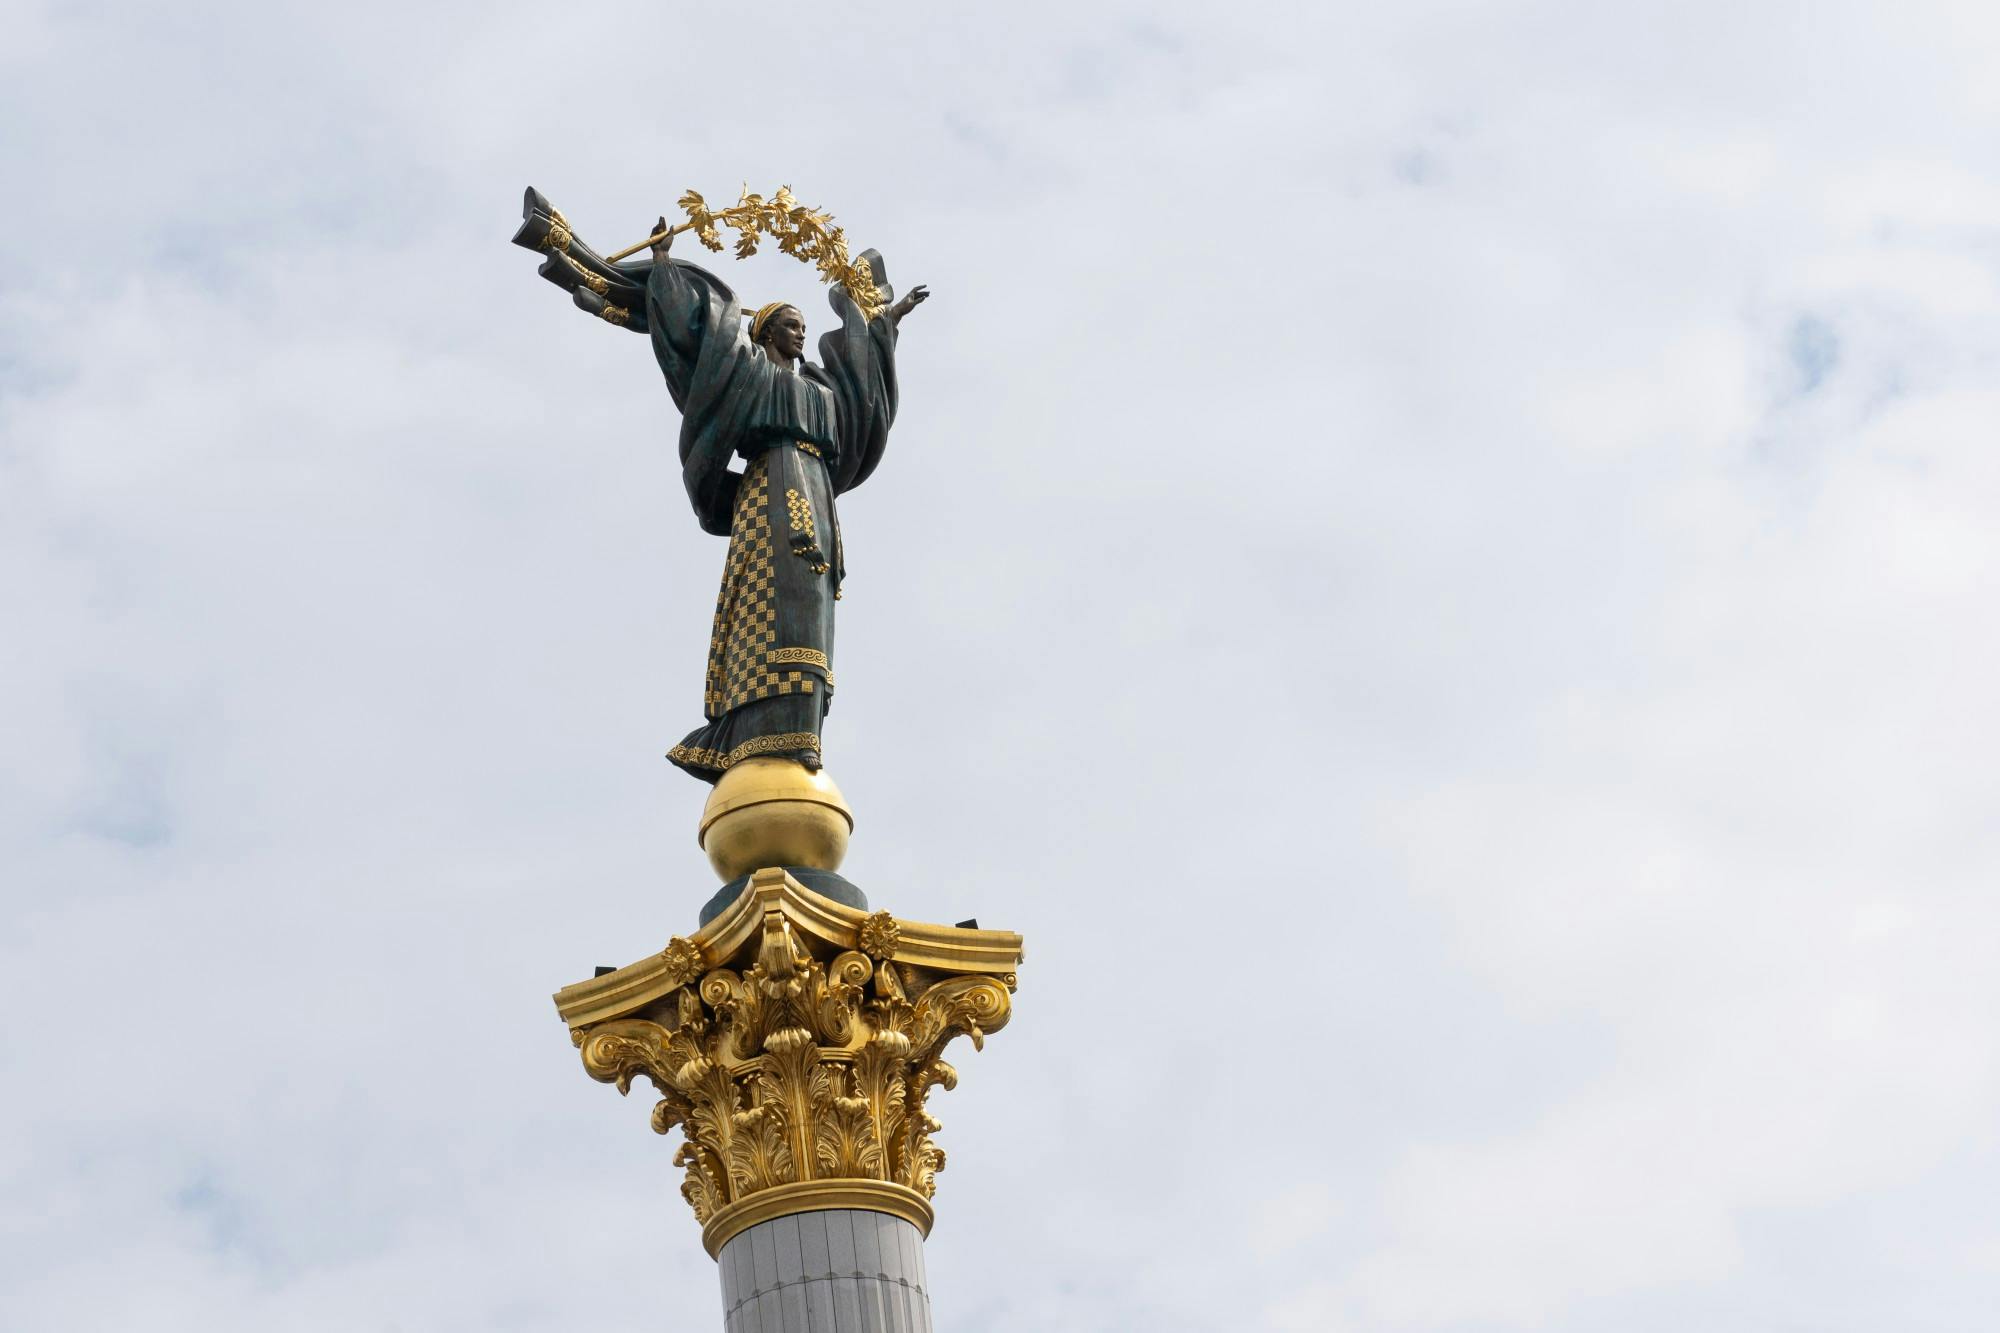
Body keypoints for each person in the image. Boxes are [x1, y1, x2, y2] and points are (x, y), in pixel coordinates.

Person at [640, 216, 928, 782]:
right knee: (772, 607)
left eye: (803, 326)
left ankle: (803, 730)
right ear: (767, 333)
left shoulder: (821, 391)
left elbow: (862, 388)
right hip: (770, 489)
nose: (801, 333)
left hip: (817, 496)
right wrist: (663, 267)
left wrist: (884, 323)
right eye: (791, 326)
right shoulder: (748, 375)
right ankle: (754, 727)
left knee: (813, 615)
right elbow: (699, 344)